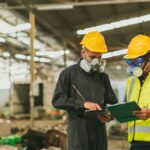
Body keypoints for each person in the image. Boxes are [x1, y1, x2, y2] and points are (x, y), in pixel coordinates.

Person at [52, 31, 118, 150]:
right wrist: (82, 104)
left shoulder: (103, 77)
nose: (96, 62)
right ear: (83, 53)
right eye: (93, 57)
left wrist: (109, 115)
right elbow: (57, 100)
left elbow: (112, 102)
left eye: (99, 57)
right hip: (78, 133)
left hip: (99, 133)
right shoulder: (68, 74)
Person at [124, 34, 150, 150]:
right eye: (131, 62)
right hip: (135, 143)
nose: (134, 66)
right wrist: (111, 115)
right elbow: (125, 108)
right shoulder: (131, 82)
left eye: (137, 62)